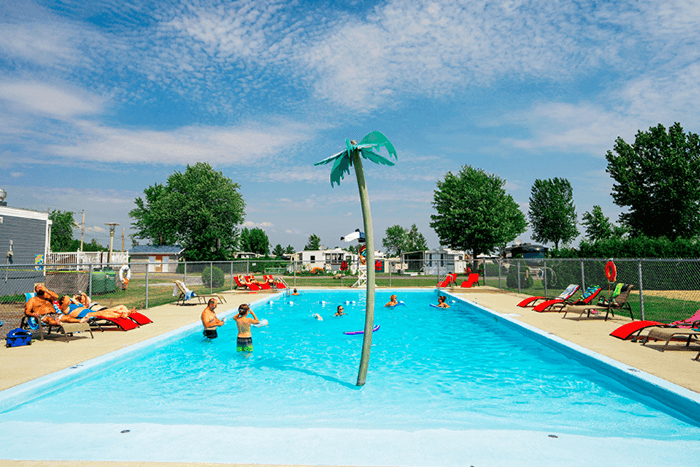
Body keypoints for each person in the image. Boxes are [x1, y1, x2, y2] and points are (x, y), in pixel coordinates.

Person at [57, 295, 135, 320]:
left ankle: (124, 313)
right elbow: (64, 306)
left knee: (104, 312)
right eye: (66, 298)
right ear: (63, 301)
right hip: (83, 315)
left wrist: (74, 299)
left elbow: (84, 305)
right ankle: (121, 315)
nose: (69, 299)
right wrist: (70, 299)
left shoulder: (74, 304)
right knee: (101, 313)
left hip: (86, 311)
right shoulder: (65, 308)